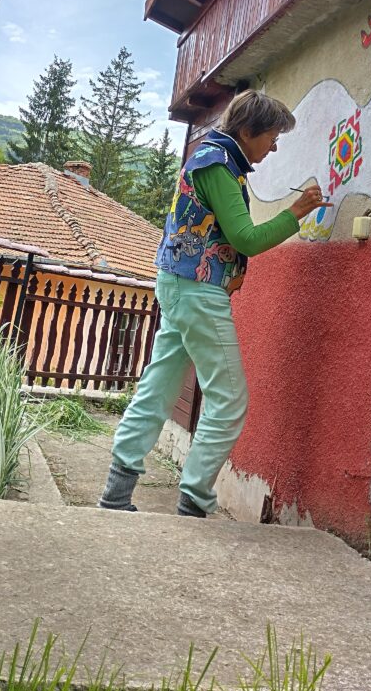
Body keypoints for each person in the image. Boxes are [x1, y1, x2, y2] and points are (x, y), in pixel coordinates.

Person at [98, 89, 330, 518]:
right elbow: (246, 238)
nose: (274, 146)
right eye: (272, 137)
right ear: (248, 131)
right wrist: (296, 211)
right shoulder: (219, 165)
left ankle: (115, 497)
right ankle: (194, 503)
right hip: (197, 291)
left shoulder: (213, 158)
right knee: (229, 398)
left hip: (180, 285)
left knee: (157, 388)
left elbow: (222, 236)